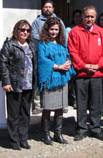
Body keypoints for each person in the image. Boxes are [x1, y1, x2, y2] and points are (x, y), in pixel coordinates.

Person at [68, 5, 103, 141]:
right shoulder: (75, 31)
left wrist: (98, 66)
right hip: (81, 74)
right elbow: (73, 51)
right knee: (81, 103)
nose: (89, 19)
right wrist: (83, 66)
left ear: (95, 17)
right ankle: (81, 129)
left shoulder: (101, 32)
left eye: (92, 16)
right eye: (87, 16)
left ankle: (96, 128)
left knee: (96, 103)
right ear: (82, 16)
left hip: (97, 74)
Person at [0, 20, 38, 150]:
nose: (25, 32)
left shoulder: (32, 45)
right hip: (14, 85)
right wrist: (6, 82)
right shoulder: (10, 45)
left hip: (29, 85)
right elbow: (2, 64)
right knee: (14, 114)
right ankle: (14, 141)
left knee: (25, 114)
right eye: (22, 29)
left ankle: (23, 139)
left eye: (27, 30)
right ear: (16, 30)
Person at [37, 17, 75, 145]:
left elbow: (67, 55)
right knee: (47, 108)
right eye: (52, 29)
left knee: (60, 108)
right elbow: (42, 60)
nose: (54, 32)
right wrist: (58, 66)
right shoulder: (42, 44)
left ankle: (58, 134)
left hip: (62, 79)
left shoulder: (61, 43)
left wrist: (68, 63)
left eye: (56, 30)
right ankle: (45, 134)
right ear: (47, 29)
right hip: (50, 80)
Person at [31, 0, 66, 114]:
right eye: (45, 7)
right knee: (41, 78)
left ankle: (61, 104)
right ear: (42, 8)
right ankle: (37, 105)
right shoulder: (37, 21)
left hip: (57, 53)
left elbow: (63, 34)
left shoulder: (59, 21)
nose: (47, 9)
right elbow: (33, 35)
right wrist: (46, 40)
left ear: (53, 9)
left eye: (50, 7)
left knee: (59, 78)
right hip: (42, 50)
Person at [66, 9, 82, 109]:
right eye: (75, 16)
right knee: (72, 80)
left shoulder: (84, 29)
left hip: (82, 58)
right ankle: (74, 100)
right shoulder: (68, 30)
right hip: (72, 57)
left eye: (79, 16)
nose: (77, 18)